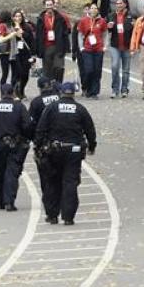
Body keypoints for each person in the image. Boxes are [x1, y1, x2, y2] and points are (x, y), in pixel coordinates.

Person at [34, 82, 97, 225]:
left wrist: (38, 146)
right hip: (73, 151)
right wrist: (92, 146)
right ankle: (68, 217)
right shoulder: (80, 109)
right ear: (73, 93)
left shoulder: (51, 108)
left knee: (52, 182)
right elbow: (90, 129)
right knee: (70, 183)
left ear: (61, 93)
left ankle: (52, 215)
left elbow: (41, 128)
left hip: (54, 151)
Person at [0, 84, 30, 211]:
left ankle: (1, 200)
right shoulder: (19, 107)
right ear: (13, 93)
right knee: (12, 172)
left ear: (1, 93)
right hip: (15, 145)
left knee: (0, 173)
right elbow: (27, 125)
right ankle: (9, 201)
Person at [35, 0, 71, 83]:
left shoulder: (60, 18)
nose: (49, 7)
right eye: (47, 5)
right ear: (44, 6)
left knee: (59, 68)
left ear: (53, 5)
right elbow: (38, 35)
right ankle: (49, 89)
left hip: (58, 46)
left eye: (51, 5)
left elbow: (65, 34)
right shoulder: (41, 18)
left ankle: (58, 86)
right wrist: (37, 50)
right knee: (47, 71)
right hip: (46, 47)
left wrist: (67, 48)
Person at [75, 3, 106, 99]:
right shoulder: (84, 21)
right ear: (89, 10)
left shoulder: (102, 21)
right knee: (89, 70)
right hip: (87, 49)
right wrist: (81, 47)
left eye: (95, 8)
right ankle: (87, 88)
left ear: (98, 10)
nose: (93, 10)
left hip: (98, 49)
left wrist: (105, 46)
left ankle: (94, 92)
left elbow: (105, 34)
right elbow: (80, 34)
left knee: (97, 71)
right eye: (91, 8)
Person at [106, 0, 134, 99]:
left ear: (125, 4)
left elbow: (135, 32)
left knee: (126, 70)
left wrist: (134, 47)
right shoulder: (111, 15)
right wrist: (108, 26)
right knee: (114, 66)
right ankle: (115, 89)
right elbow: (106, 30)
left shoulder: (131, 16)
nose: (118, 5)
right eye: (117, 3)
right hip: (115, 46)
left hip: (127, 46)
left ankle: (124, 89)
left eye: (120, 3)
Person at [8, 9, 35, 99]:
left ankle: (21, 89)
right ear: (13, 17)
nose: (18, 18)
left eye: (19, 16)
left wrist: (23, 32)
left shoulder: (27, 26)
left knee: (25, 74)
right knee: (16, 73)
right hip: (15, 53)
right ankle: (14, 92)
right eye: (16, 16)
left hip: (25, 52)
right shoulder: (10, 26)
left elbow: (31, 39)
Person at [0, 10, 14, 86]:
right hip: (4, 53)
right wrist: (11, 35)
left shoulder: (10, 25)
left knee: (15, 72)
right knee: (5, 73)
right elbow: (1, 39)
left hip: (11, 52)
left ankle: (11, 90)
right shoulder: (2, 25)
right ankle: (3, 91)